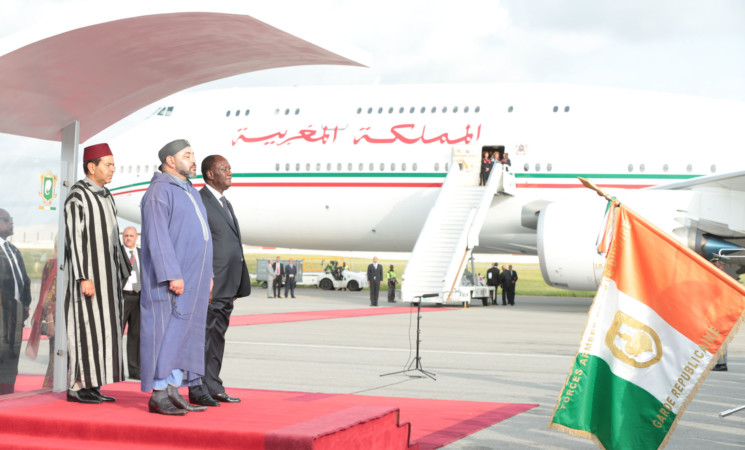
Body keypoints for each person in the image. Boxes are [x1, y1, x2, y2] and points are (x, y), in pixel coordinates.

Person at [140, 139, 213, 415]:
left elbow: (202, 237)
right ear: (170, 161)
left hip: (194, 278)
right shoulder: (159, 191)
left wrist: (209, 275)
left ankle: (173, 389)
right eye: (187, 155)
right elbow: (158, 237)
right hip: (171, 282)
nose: (194, 160)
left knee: (184, 335)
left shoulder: (189, 191)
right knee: (164, 334)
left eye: (193, 154)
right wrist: (172, 274)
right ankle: (159, 394)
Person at [63, 144, 129, 404]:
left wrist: (123, 273)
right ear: (92, 167)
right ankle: (76, 386)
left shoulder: (107, 195)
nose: (113, 169)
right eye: (108, 164)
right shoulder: (77, 196)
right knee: (84, 330)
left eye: (113, 164)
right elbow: (74, 240)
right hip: (88, 281)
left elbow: (115, 239)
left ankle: (92, 384)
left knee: (105, 331)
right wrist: (83, 277)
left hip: (108, 280)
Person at [188, 155, 251, 407]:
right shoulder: (200, 201)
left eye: (230, 169)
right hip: (211, 284)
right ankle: (198, 386)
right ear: (210, 174)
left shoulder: (225, 203)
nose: (230, 173)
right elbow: (199, 243)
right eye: (224, 169)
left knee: (217, 337)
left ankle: (214, 385)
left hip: (228, 284)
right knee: (204, 337)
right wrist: (208, 278)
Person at [0, 209, 31, 395]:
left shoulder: (12, 250)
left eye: (11, 219)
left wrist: (26, 303)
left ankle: (7, 393)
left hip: (16, 310)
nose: (11, 223)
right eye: (6, 220)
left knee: (12, 352)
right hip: (1, 310)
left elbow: (24, 279)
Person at [25, 243, 57, 389]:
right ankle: (52, 387)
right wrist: (50, 322)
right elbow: (47, 296)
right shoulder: (54, 265)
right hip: (57, 319)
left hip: (68, 319)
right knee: (56, 357)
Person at [121, 227, 142, 380]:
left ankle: (135, 371)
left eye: (131, 236)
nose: (128, 238)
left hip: (139, 297)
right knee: (117, 334)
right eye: (126, 235)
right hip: (123, 297)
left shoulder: (142, 253)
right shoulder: (117, 253)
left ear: (136, 238)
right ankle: (116, 370)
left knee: (136, 335)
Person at [711, 257, 734, 371]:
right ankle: (720, 362)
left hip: (721, 312)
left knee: (719, 338)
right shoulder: (721, 276)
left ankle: (721, 363)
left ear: (720, 264)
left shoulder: (720, 276)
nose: (714, 264)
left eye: (715, 262)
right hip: (721, 311)